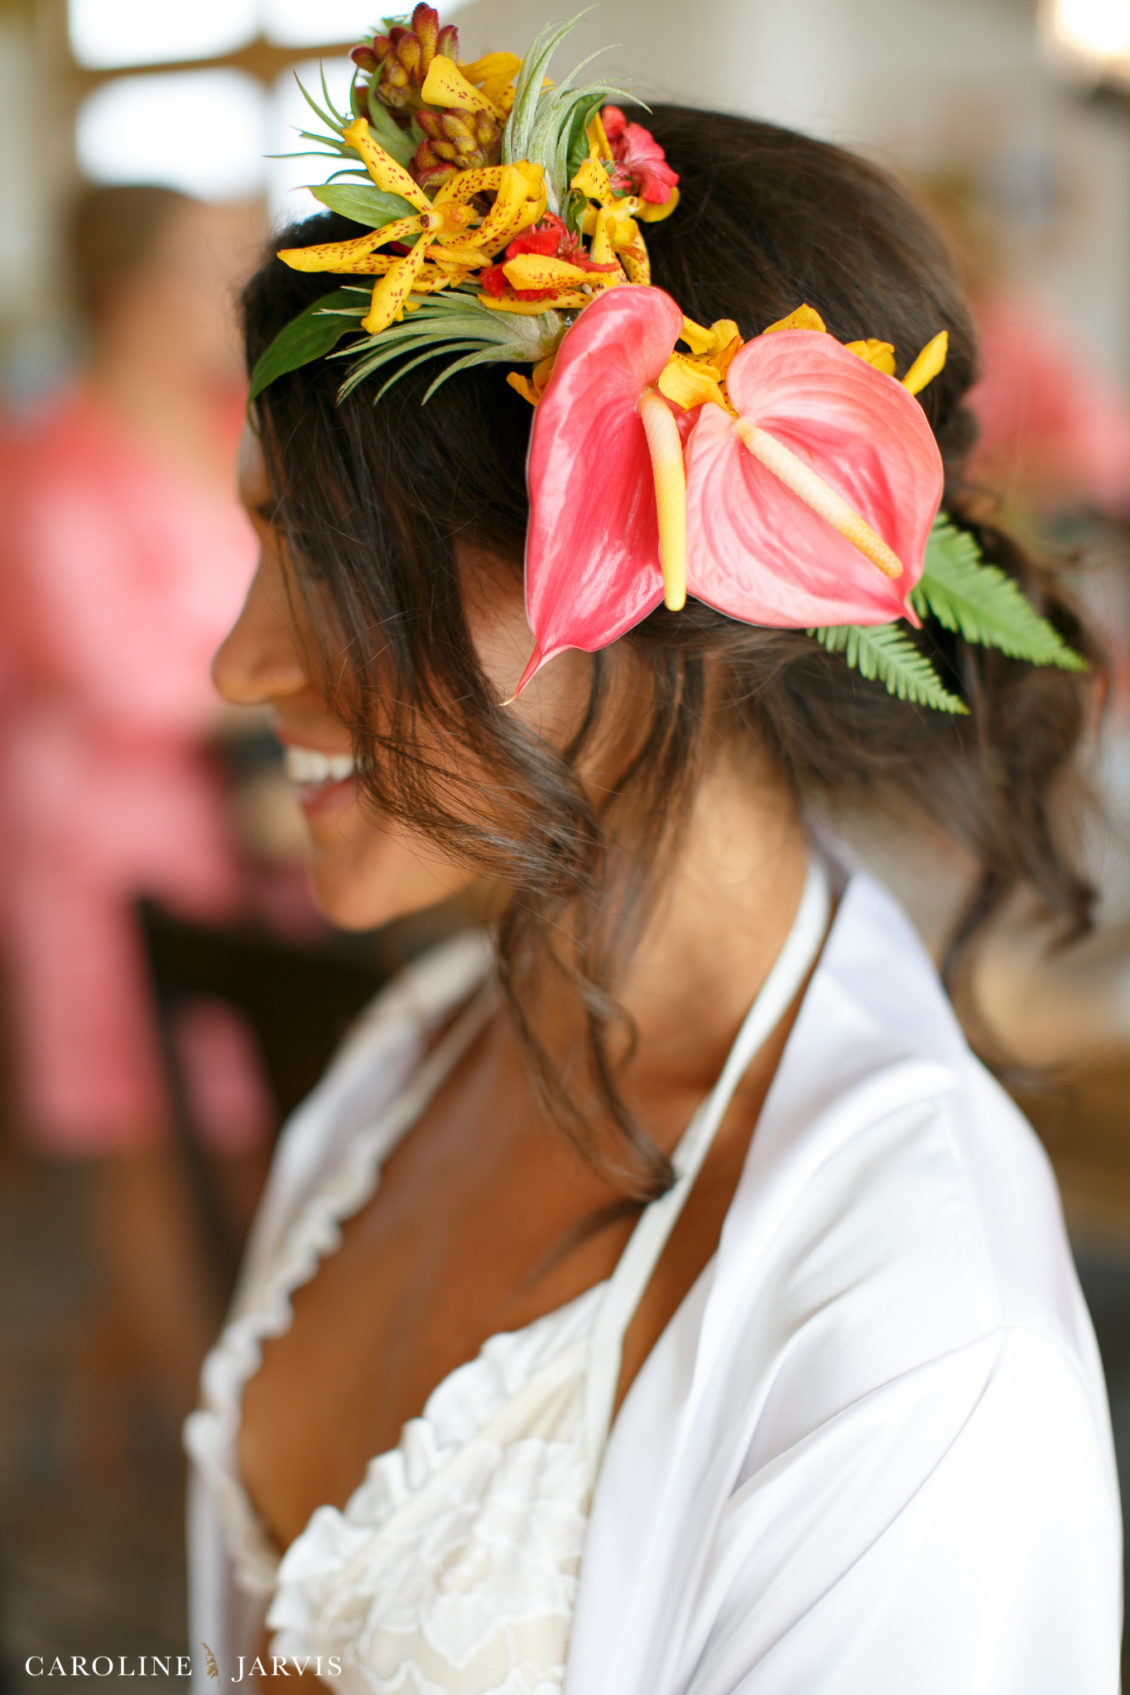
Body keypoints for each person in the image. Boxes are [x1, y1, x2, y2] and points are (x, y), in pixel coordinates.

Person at [185, 20, 1122, 1691]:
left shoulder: (904, 1339)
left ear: (635, 558)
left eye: (328, 559)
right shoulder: (410, 1063)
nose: (242, 664)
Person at [1, 185, 266, 1450]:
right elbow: (110, 673)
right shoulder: (46, 458)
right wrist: (280, 690)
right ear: (132, 291)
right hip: (100, 850)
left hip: (247, 838)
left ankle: (232, 1382)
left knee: (247, 1122)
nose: (234, 290)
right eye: (209, 267)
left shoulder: (233, 424)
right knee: (143, 1139)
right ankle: (186, 1431)